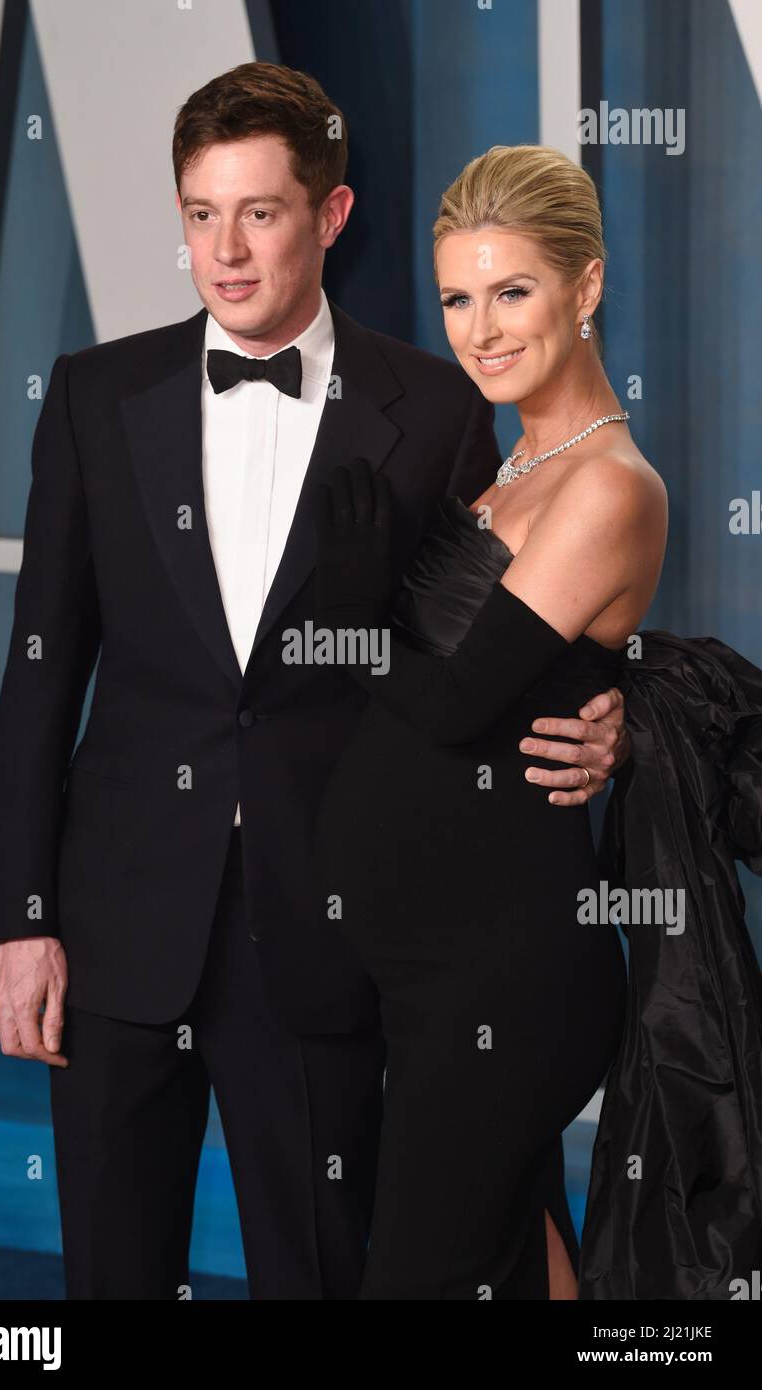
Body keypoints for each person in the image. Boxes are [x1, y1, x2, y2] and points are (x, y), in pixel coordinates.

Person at [0, 71, 628, 1301]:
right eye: (201, 213)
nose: (224, 251)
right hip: (120, 919)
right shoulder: (93, 396)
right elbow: (39, 664)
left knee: (326, 1276)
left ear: (331, 216)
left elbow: (486, 654)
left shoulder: (438, 408)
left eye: (262, 213)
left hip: (339, 924)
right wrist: (21, 915)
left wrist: (609, 720)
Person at [313, 144, 669, 1299]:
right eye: (458, 297)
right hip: (435, 964)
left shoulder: (610, 483)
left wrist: (360, 610)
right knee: (516, 1264)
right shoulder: (514, 456)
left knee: (419, 1276)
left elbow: (457, 704)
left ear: (589, 285)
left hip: (504, 974)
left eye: (511, 291)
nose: (480, 328)